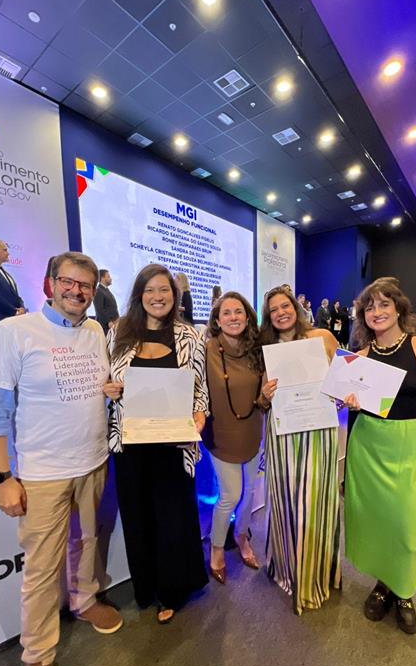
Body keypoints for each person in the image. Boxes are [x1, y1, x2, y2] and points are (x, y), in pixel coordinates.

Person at [0, 251, 122, 666]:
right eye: (68, 282)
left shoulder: (96, 331)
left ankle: (84, 599)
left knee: (89, 542)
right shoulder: (13, 333)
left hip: (94, 460)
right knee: (40, 570)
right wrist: (3, 477)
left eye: (85, 284)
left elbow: (94, 386)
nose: (77, 291)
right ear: (48, 284)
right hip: (41, 472)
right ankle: (37, 660)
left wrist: (111, 390)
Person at [342, 278, 416, 635]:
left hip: (407, 447)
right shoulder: (360, 358)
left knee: (405, 524)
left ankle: (405, 591)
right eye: (369, 307)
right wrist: (346, 402)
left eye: (384, 304)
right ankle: (384, 584)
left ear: (399, 308)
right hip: (367, 447)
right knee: (376, 522)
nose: (377, 312)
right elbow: (349, 409)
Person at [104, 264, 208, 624]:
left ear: (174, 296)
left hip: (172, 445)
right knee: (137, 517)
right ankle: (145, 587)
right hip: (130, 446)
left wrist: (200, 414)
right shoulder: (118, 331)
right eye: (149, 290)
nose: (157, 297)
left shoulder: (189, 336)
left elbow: (200, 390)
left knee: (172, 518)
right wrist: (109, 390)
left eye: (164, 290)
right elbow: (107, 380)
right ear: (139, 295)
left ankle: (172, 590)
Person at [258, 286, 340, 615]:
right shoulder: (266, 348)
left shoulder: (321, 337)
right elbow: (262, 404)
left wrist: (342, 394)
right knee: (284, 501)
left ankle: (313, 577)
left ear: (295, 307)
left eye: (285, 305)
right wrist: (264, 394)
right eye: (274, 308)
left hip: (318, 432)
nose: (281, 312)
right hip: (282, 434)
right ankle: (287, 567)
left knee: (314, 503)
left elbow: (345, 379)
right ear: (269, 316)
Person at [204, 291, 264, 583]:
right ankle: (216, 549)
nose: (233, 318)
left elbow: (265, 395)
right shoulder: (205, 351)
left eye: (238, 312)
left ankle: (241, 537)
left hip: (253, 431)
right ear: (217, 320)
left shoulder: (257, 350)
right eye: (226, 313)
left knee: (250, 492)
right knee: (229, 495)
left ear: (247, 317)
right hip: (221, 434)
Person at [93, 269, 119, 334]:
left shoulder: (106, 290)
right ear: (102, 278)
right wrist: (109, 321)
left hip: (113, 324)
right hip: (105, 327)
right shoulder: (99, 291)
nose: (111, 279)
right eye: (108, 277)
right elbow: (100, 309)